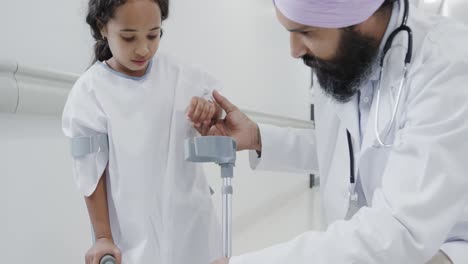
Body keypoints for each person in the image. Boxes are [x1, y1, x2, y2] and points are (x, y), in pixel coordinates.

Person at [201, 0, 468, 263]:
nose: (294, 51)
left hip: (443, 247)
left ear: (362, 16)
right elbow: (344, 147)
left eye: (305, 32)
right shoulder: (346, 60)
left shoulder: (449, 64)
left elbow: (400, 230)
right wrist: (258, 138)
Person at [62, 0, 223, 263]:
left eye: (153, 34)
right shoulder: (90, 92)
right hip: (133, 231)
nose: (143, 48)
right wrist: (103, 236)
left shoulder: (181, 74)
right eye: (128, 37)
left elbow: (219, 110)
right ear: (103, 27)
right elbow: (91, 172)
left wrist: (209, 110)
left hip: (193, 222)